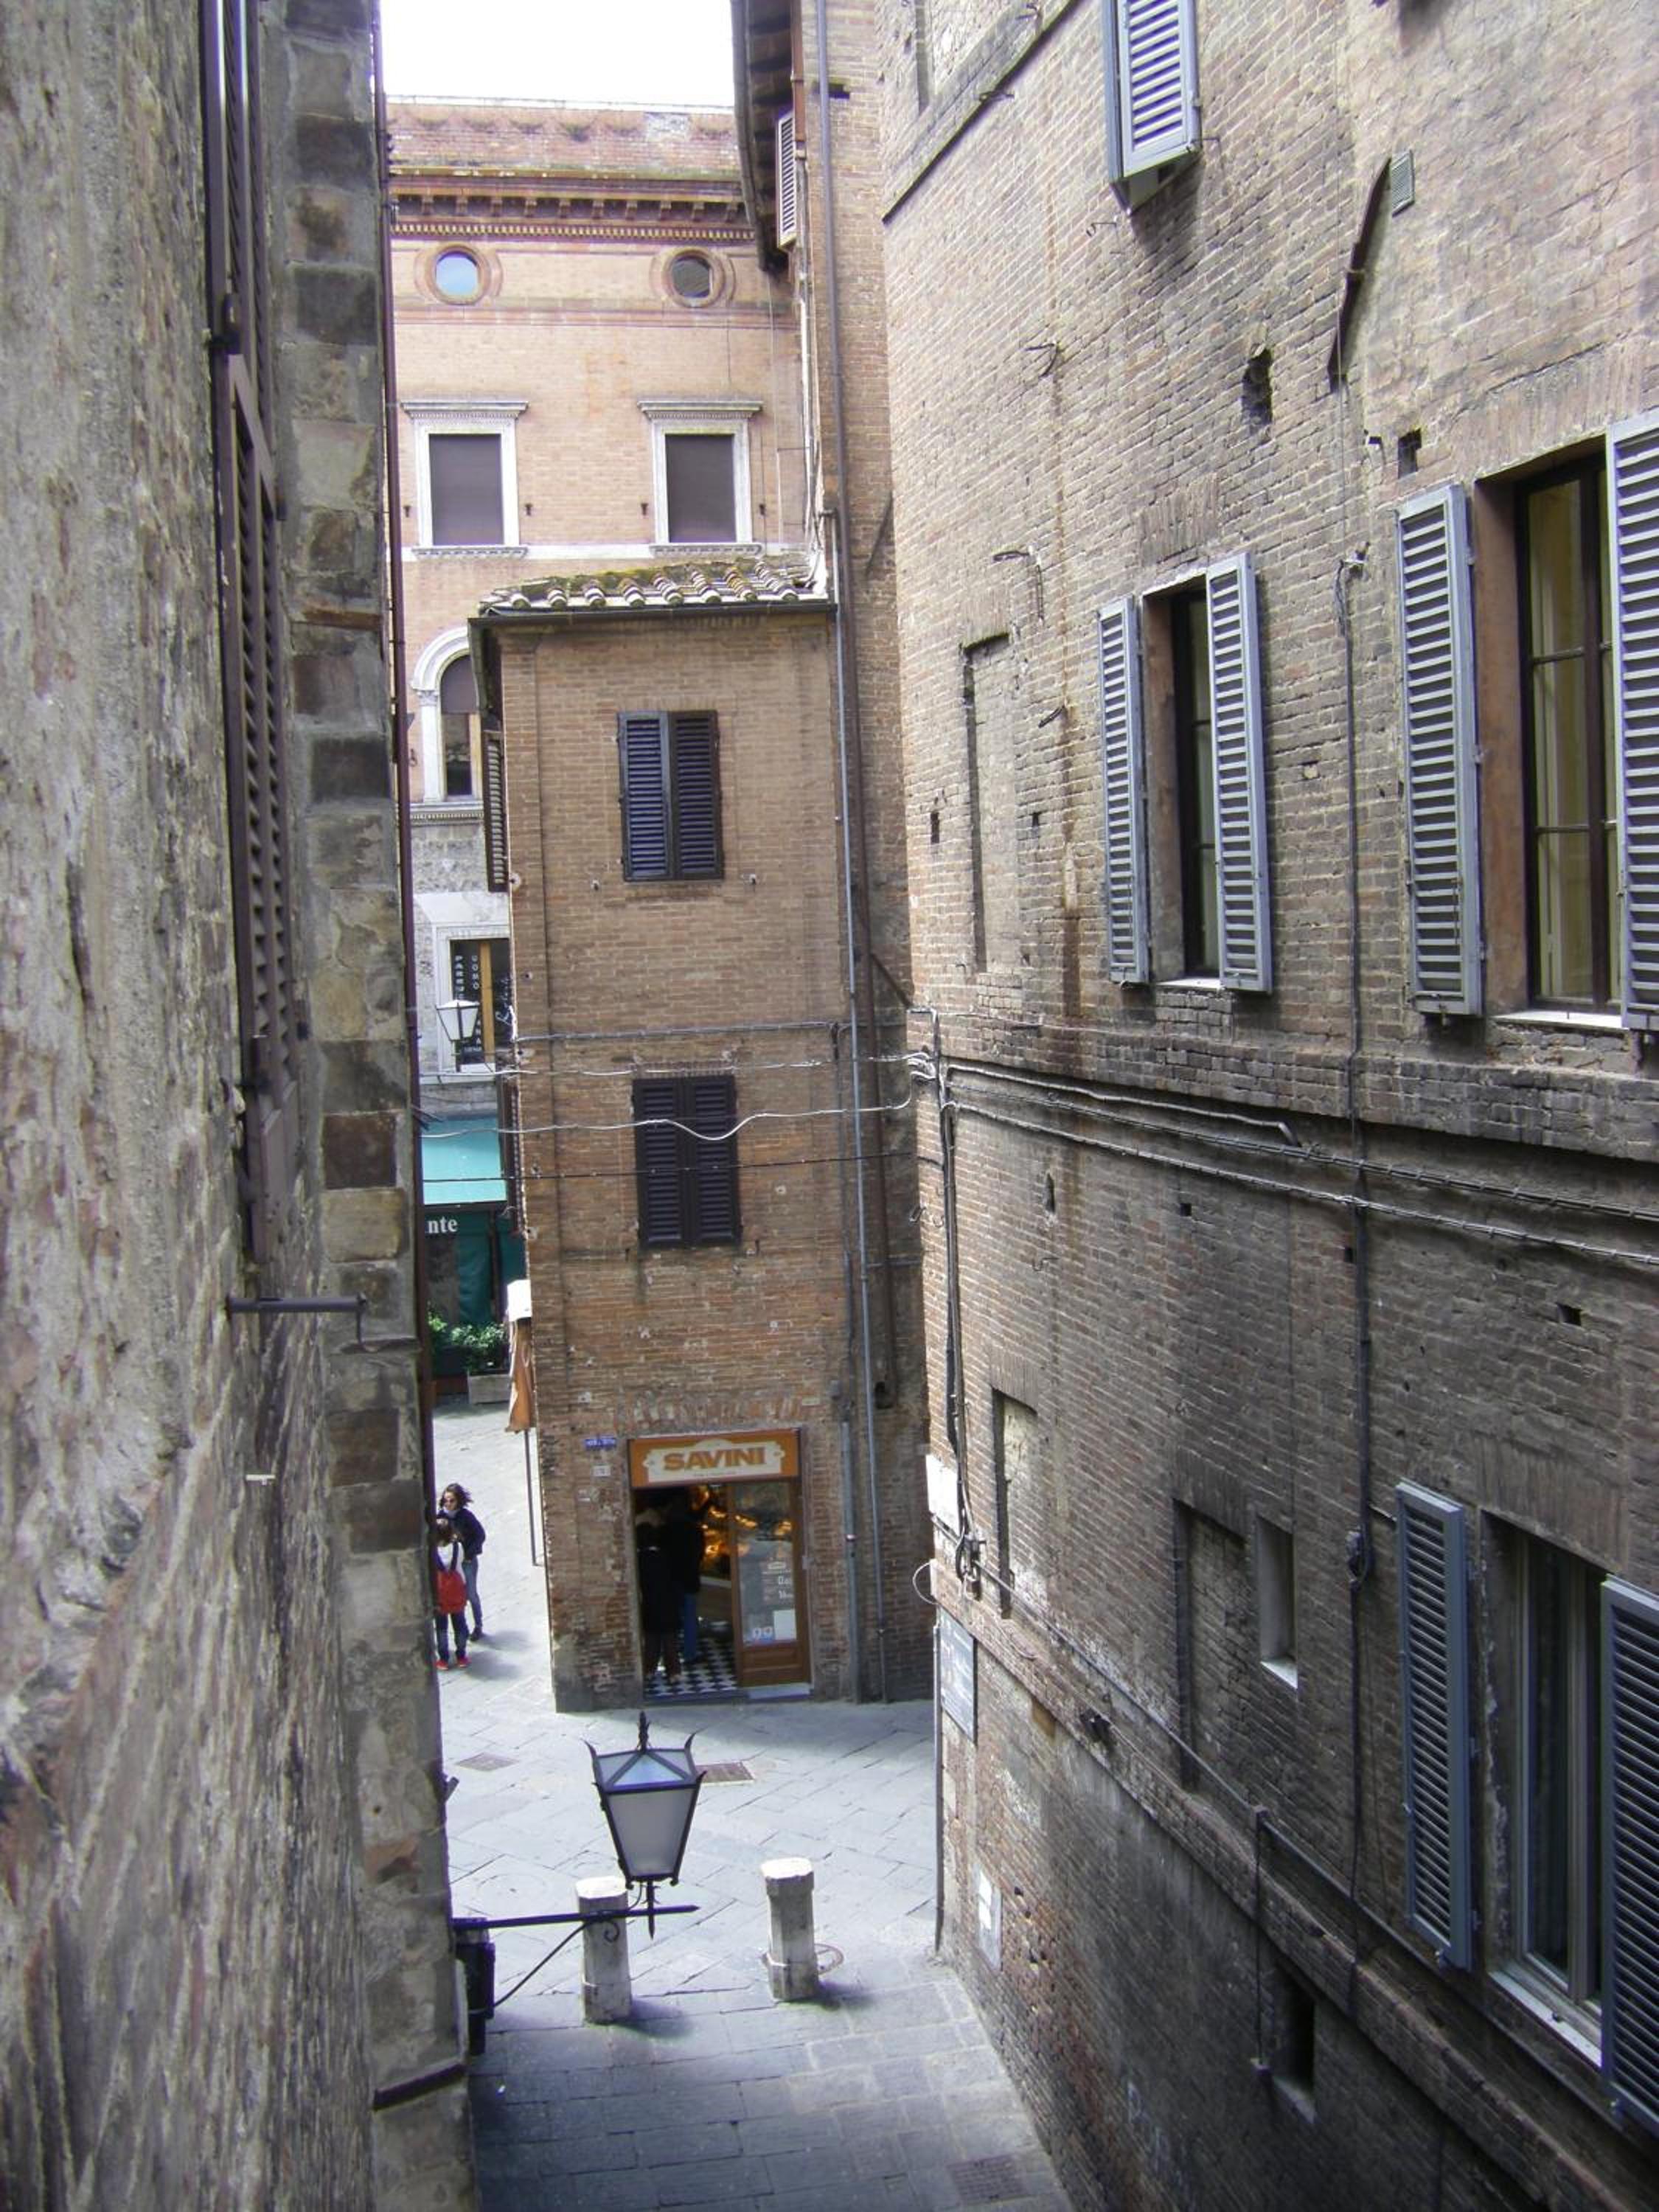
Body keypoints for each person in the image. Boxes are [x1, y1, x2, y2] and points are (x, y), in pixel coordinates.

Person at [633, 1502, 681, 1687]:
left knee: (652, 1640)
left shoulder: (639, 1560)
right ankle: (674, 1673)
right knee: (670, 1641)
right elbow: (674, 1579)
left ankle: (649, 1671)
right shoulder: (666, 1557)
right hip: (668, 1604)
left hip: (650, 1605)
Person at [663, 1488, 705, 1666]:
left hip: (671, 1579)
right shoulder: (694, 1531)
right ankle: (690, 1653)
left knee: (675, 1616)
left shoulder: (665, 1530)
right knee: (689, 1616)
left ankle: (674, 1651)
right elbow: (700, 1554)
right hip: (689, 1578)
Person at [439, 1482, 487, 1638]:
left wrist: (469, 1554)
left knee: (471, 1594)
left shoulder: (466, 1516)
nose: (448, 1503)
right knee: (455, 1594)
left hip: (467, 1561)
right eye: (446, 1500)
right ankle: (463, 1629)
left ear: (458, 1501)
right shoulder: (440, 1517)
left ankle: (478, 1625)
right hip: (449, 1562)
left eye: (451, 1500)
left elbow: (480, 1535)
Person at [432, 1514, 470, 1672]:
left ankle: (443, 1659)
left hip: (440, 1593)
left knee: (441, 1628)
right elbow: (460, 1562)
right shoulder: (458, 1548)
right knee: (459, 1624)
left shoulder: (433, 1552)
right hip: (457, 1590)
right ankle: (461, 1656)